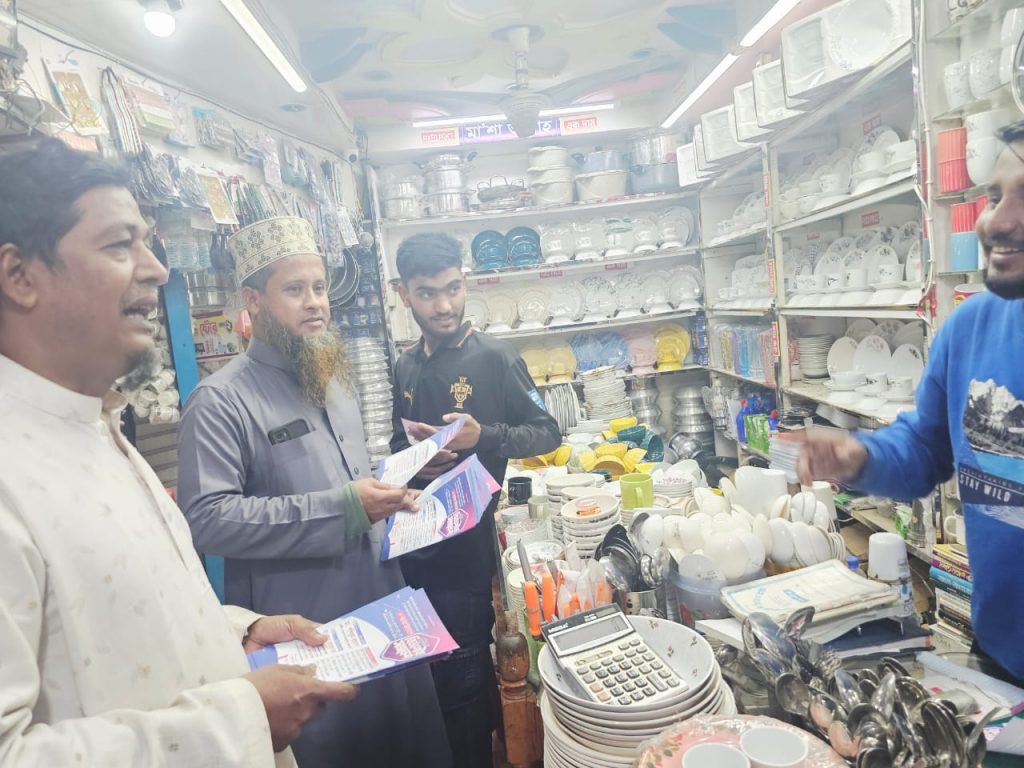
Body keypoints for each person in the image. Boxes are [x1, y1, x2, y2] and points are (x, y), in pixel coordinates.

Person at [0, 140, 357, 767]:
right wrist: (238, 718)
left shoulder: (95, 427)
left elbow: (128, 615)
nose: (157, 269)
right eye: (120, 245)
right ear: (20, 277)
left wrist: (238, 630)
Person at [177, 216, 451, 768]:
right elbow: (206, 517)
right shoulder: (221, 402)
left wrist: (402, 483)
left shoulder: (333, 381)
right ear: (254, 301)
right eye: (295, 290)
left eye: (320, 288)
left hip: (383, 612)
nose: (315, 304)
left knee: (408, 742)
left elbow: (351, 484)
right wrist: (344, 507)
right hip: (308, 632)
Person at [798, 120, 1024, 684]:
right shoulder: (970, 327)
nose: (994, 221)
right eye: (995, 196)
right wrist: (861, 456)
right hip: (1003, 653)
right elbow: (927, 447)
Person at [390, 232, 562, 767]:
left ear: (465, 283)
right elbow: (398, 441)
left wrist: (483, 435)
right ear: (403, 294)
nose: (444, 305)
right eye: (427, 293)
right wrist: (416, 459)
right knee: (431, 673)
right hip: (416, 542)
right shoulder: (405, 365)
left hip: (467, 547)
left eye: (452, 289)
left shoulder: (495, 358)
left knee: (463, 671)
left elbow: (547, 431)